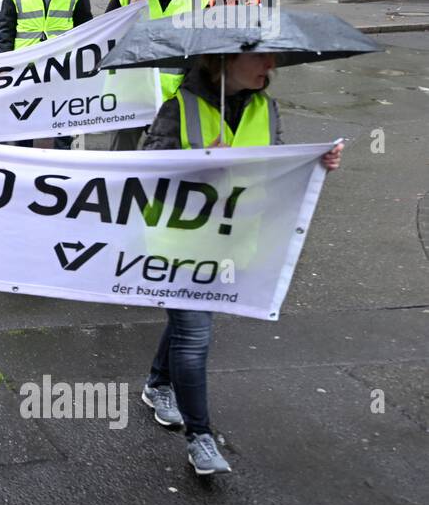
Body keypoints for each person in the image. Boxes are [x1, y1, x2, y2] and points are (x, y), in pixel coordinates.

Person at [138, 52, 343, 474]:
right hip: (182, 249)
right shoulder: (180, 107)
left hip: (231, 247)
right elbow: (147, 178)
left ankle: (157, 384)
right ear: (226, 62)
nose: (270, 67)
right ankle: (200, 437)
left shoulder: (265, 108)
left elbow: (277, 166)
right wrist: (200, 167)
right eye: (261, 59)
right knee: (194, 339)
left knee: (185, 325)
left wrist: (315, 164)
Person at [106, 0, 211, 150]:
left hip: (175, 97)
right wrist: (125, 13)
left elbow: (204, 53)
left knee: (166, 164)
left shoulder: (200, 0)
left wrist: (191, 92)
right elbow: (106, 40)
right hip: (132, 95)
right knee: (121, 161)